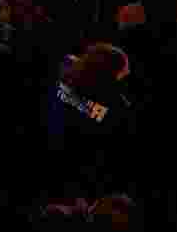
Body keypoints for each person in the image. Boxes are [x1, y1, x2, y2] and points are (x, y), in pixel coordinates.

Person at [47, 43, 136, 198]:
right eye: (120, 75)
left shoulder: (62, 89)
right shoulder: (114, 106)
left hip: (60, 175)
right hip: (91, 180)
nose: (121, 80)